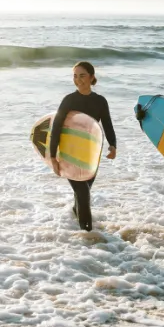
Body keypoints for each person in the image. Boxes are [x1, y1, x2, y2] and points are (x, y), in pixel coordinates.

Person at [48, 61, 116, 232]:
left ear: (92, 77)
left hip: (90, 154)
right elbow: (56, 127)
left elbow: (107, 124)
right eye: (75, 76)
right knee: (83, 192)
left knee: (83, 191)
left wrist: (112, 145)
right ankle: (87, 234)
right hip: (69, 153)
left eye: (82, 75)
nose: (78, 80)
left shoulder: (100, 101)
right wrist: (53, 156)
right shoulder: (69, 100)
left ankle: (75, 217)